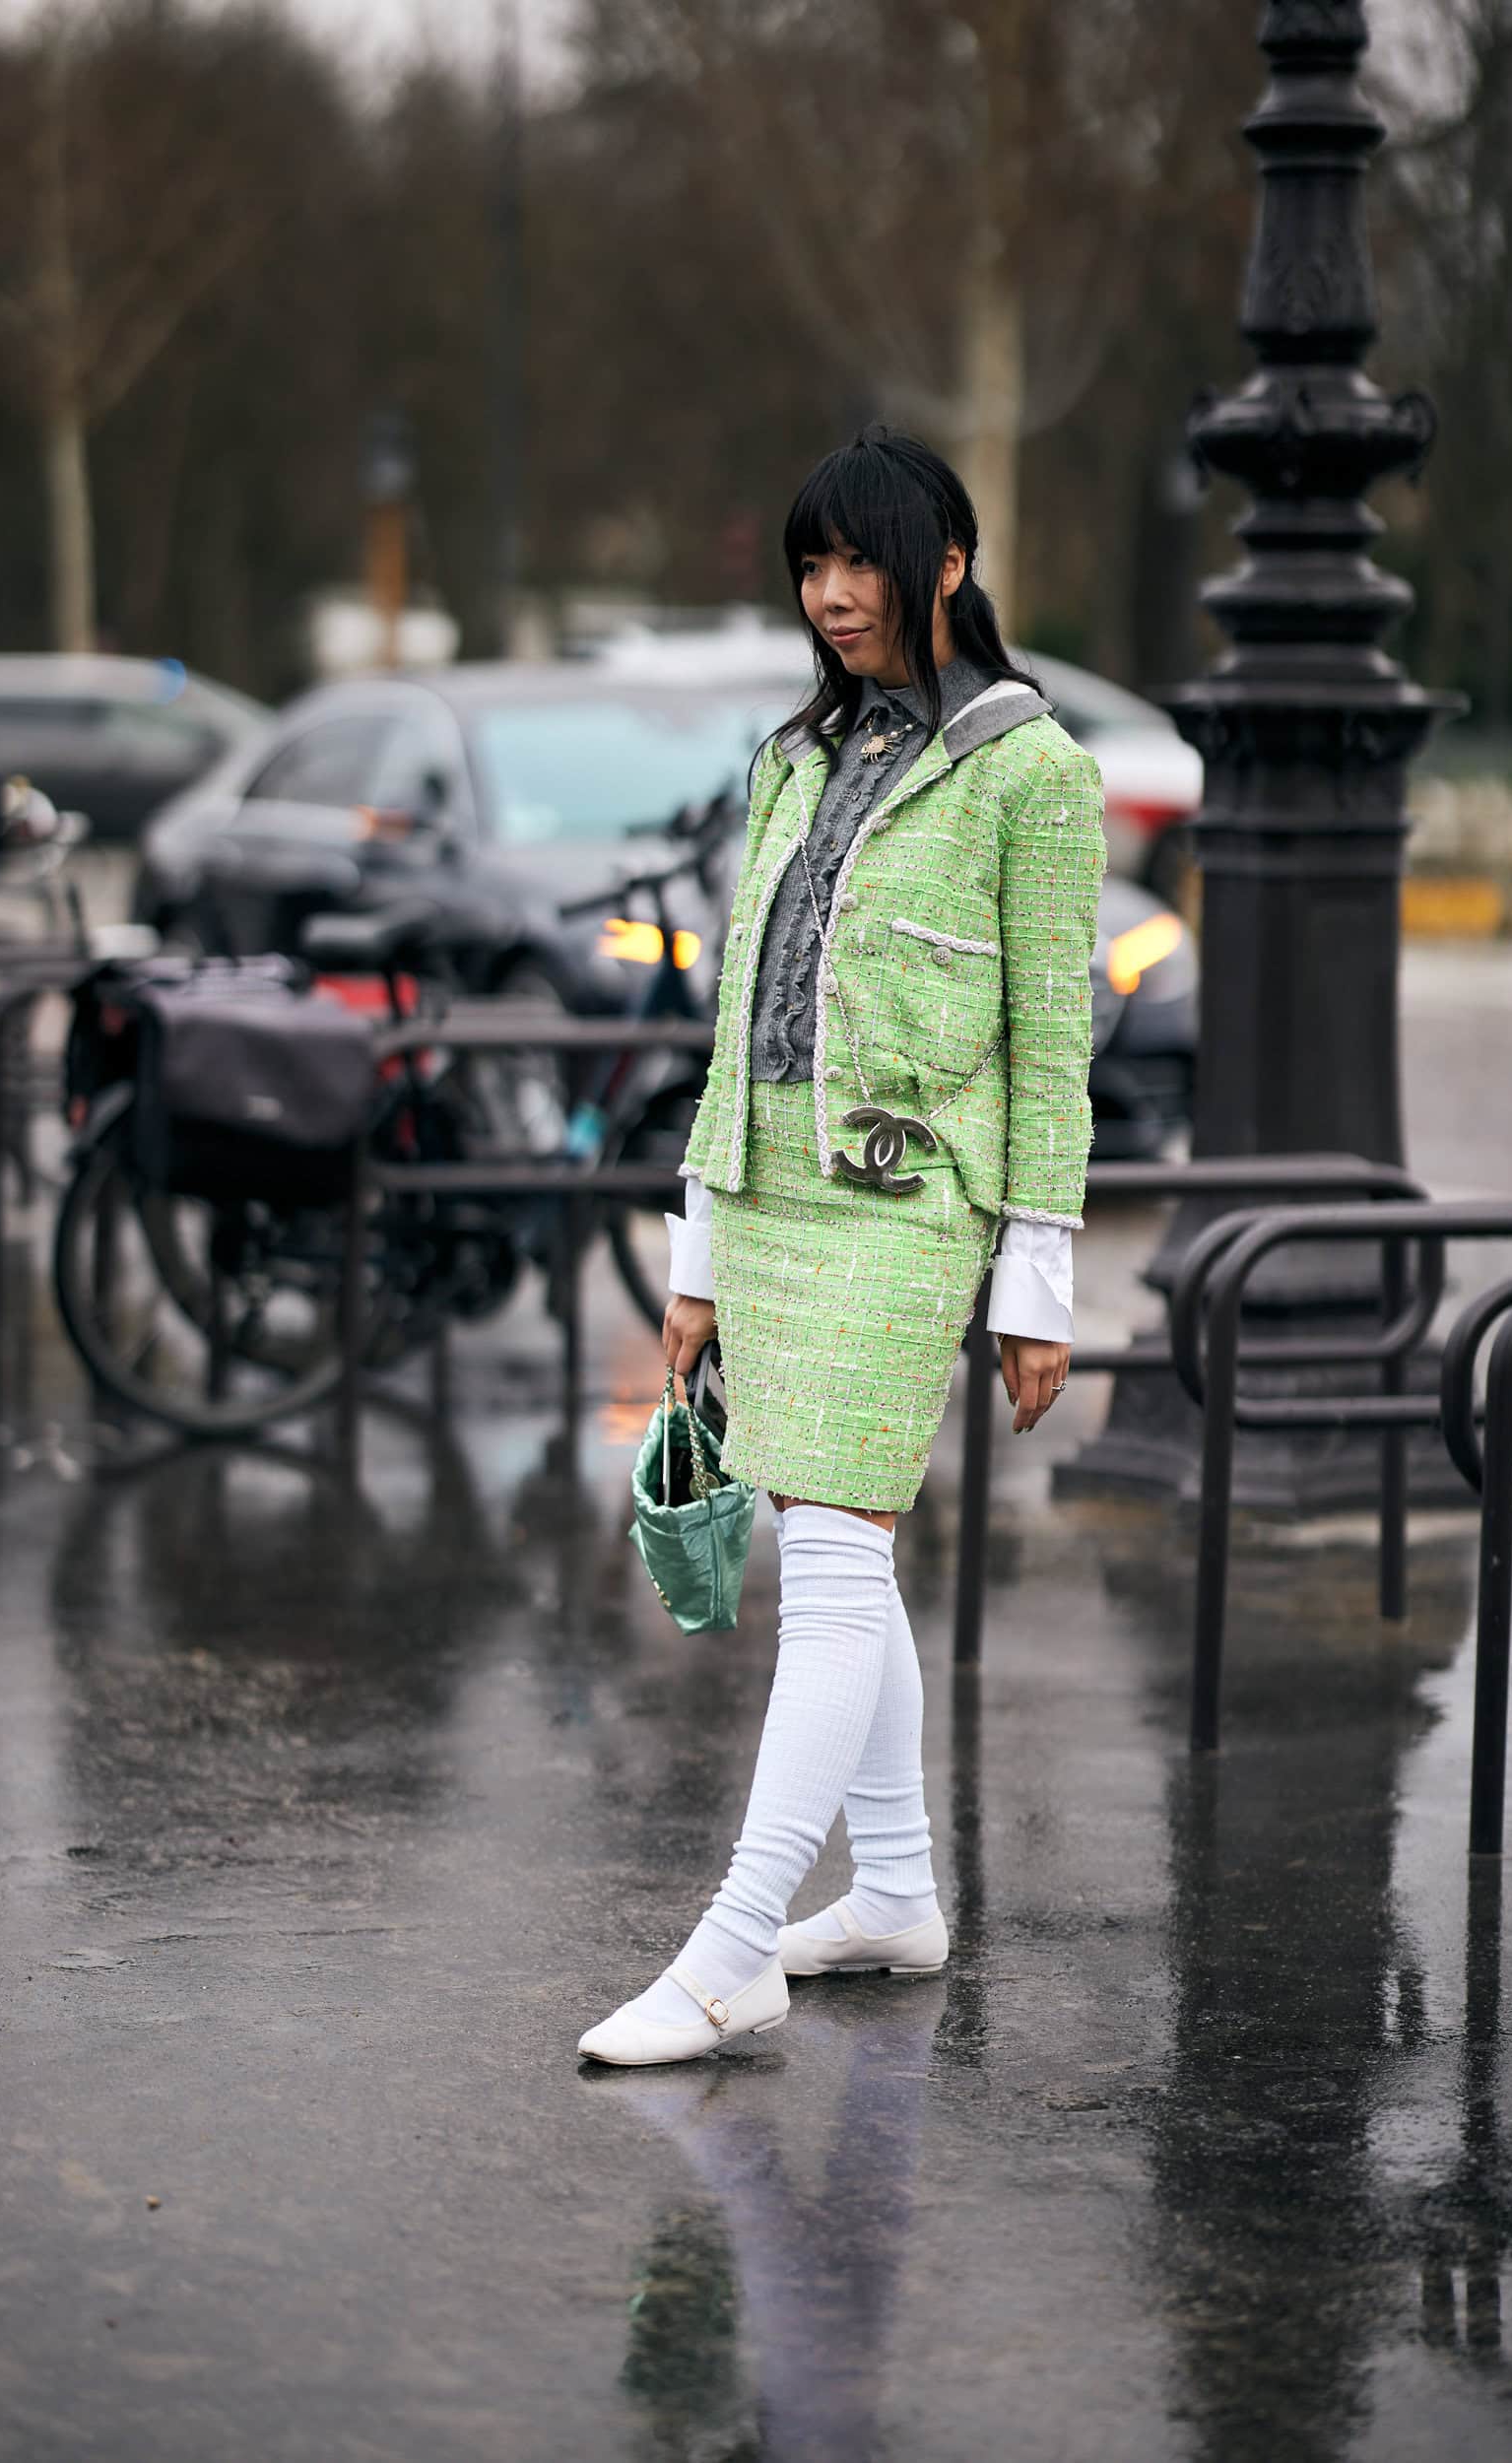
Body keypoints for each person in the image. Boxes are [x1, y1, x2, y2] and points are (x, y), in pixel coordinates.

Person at [578, 427, 1105, 2067]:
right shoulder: (793, 758)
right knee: (839, 1553)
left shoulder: (1035, 773)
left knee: (829, 1566)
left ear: (944, 565)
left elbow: (1049, 1055)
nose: (831, 597)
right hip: (776, 1201)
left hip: (905, 1213)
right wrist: (698, 1253)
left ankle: (735, 1946)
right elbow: (743, 1019)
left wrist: (1035, 1283)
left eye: (859, 563)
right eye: (810, 568)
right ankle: (892, 1892)